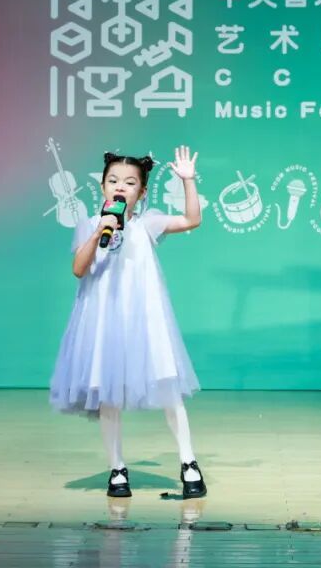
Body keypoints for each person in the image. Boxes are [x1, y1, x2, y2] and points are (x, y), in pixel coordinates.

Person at [49, 145, 207, 499]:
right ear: (103, 186)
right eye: (113, 180)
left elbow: (191, 220)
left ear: (142, 191)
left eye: (130, 182)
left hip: (146, 320)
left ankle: (189, 462)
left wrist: (188, 180)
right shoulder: (90, 225)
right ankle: (117, 468)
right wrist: (98, 232)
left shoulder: (148, 223)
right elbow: (79, 269)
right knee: (108, 396)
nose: (121, 186)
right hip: (103, 322)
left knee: (169, 390)